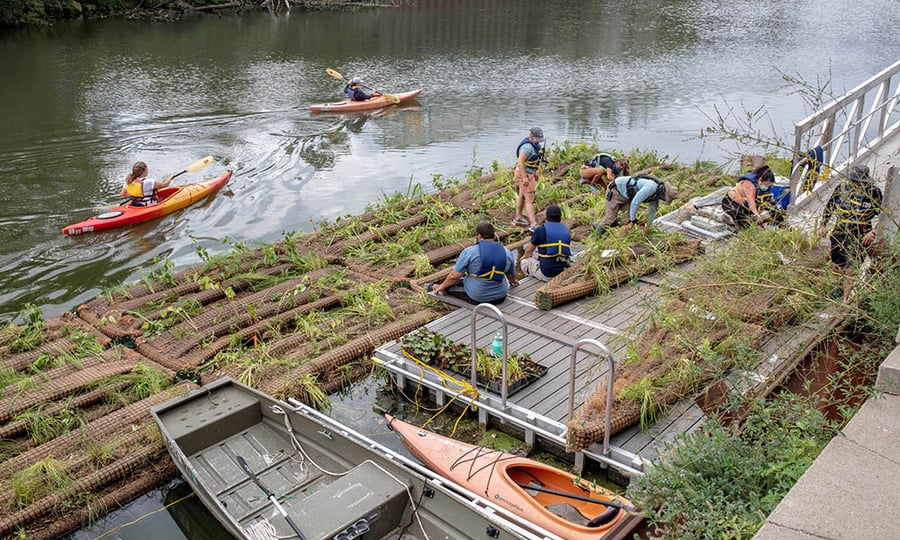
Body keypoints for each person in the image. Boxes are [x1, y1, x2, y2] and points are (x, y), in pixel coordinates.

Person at [818, 164, 883, 302]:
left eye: (861, 182)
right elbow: (829, 207)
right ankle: (838, 290)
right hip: (840, 232)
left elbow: (884, 215)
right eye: (856, 181)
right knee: (837, 265)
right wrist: (823, 225)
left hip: (860, 235)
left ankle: (845, 300)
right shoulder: (841, 189)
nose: (858, 184)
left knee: (851, 269)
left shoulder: (874, 193)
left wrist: (873, 232)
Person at [427, 221, 518, 304]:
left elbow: (454, 277)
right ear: (494, 236)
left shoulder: (469, 252)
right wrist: (514, 282)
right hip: (501, 296)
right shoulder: (506, 252)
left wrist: (442, 286)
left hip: (477, 297)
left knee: (448, 285)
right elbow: (511, 277)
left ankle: (432, 287)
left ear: (478, 236)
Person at [593, 173, 678, 235]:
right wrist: (634, 219)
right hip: (616, 190)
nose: (663, 200)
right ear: (664, 194)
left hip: (627, 195)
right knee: (610, 218)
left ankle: (598, 225)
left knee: (626, 220)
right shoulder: (651, 187)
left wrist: (648, 227)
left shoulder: (656, 194)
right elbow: (635, 202)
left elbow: (652, 211)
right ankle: (595, 239)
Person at [521, 205, 571, 281]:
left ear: (546, 217)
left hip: (547, 274)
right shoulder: (566, 230)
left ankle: (530, 279)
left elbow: (528, 251)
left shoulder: (540, 230)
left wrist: (524, 257)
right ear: (560, 218)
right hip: (563, 272)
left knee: (525, 261)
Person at [511, 127, 545, 231]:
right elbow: (520, 162)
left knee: (522, 195)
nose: (539, 141)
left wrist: (535, 173)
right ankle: (533, 224)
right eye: (537, 138)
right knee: (530, 200)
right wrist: (524, 177)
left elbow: (534, 161)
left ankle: (518, 217)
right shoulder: (527, 148)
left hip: (529, 173)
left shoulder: (535, 146)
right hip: (524, 174)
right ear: (531, 136)